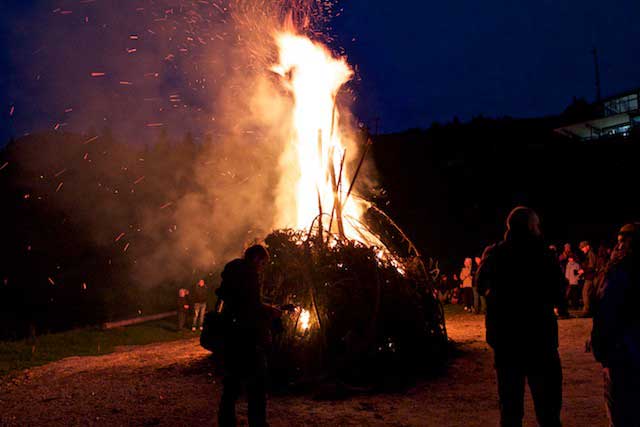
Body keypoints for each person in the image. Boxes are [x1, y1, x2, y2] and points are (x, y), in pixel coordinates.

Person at [477, 206, 565, 427]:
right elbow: (558, 293)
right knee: (548, 411)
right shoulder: (544, 254)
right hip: (540, 341)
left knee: (510, 412)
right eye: (536, 225)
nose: (539, 229)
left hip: (507, 342)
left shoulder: (495, 254)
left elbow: (480, 286)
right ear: (530, 226)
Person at [216, 244, 281, 427]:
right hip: (247, 337)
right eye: (262, 262)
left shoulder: (232, 272)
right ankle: (258, 422)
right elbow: (251, 306)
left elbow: (238, 301)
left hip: (230, 335)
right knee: (257, 382)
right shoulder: (249, 274)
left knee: (231, 383)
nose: (262, 267)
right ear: (255, 259)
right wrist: (271, 311)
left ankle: (226, 421)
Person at [591, 223, 640, 427]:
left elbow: (605, 314)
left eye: (622, 242)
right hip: (628, 350)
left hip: (623, 354)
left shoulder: (618, 273)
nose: (617, 247)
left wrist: (601, 351)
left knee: (622, 415)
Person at [579, 241, 598, 317]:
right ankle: (590, 311)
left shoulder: (591, 254)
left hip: (591, 277)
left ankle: (587, 311)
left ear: (587, 246)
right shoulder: (589, 254)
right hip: (590, 276)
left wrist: (583, 270)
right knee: (589, 294)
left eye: (583, 247)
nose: (582, 250)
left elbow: (592, 267)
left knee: (585, 293)